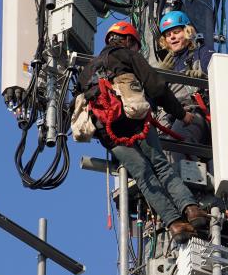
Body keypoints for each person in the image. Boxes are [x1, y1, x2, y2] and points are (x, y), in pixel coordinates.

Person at [73, 21, 207, 244]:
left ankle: (175, 225)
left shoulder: (87, 70)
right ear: (127, 40)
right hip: (134, 120)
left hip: (108, 132)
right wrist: (181, 115)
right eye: (135, 45)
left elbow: (76, 106)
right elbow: (157, 87)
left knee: (143, 176)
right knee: (161, 165)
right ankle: (191, 210)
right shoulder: (127, 55)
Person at [155, 11, 214, 160]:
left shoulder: (202, 53)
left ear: (187, 32)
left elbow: (221, 78)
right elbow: (150, 101)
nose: (172, 37)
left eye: (176, 32)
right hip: (168, 120)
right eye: (168, 35)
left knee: (178, 143)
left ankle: (188, 179)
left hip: (194, 113)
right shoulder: (166, 64)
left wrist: (205, 77)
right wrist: (158, 77)